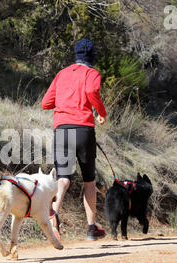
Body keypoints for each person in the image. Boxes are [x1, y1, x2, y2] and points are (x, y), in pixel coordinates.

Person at [41, 39, 107, 241]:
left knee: (63, 178)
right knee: (89, 181)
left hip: (61, 129)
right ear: (92, 57)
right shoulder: (92, 73)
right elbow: (91, 91)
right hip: (83, 129)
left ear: (76, 55)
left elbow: (46, 103)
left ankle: (53, 215)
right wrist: (101, 112)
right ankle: (90, 228)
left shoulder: (61, 74)